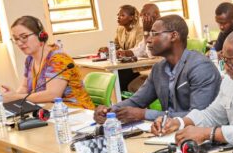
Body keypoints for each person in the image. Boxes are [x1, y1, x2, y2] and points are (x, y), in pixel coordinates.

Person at [93, 15, 221, 125]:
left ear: (173, 36)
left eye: (154, 34)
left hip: (200, 136)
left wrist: (144, 114)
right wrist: (109, 111)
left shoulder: (200, 67)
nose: (148, 40)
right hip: (168, 132)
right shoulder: (159, 69)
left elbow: (199, 117)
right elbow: (136, 101)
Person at [0, 16, 94, 109]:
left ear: (41, 35)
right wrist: (11, 96)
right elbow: (25, 87)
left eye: (24, 37)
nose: (19, 43)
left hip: (76, 111)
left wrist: (16, 97)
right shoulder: (30, 59)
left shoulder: (58, 59)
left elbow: (53, 94)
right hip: (49, 110)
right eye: (16, 39)